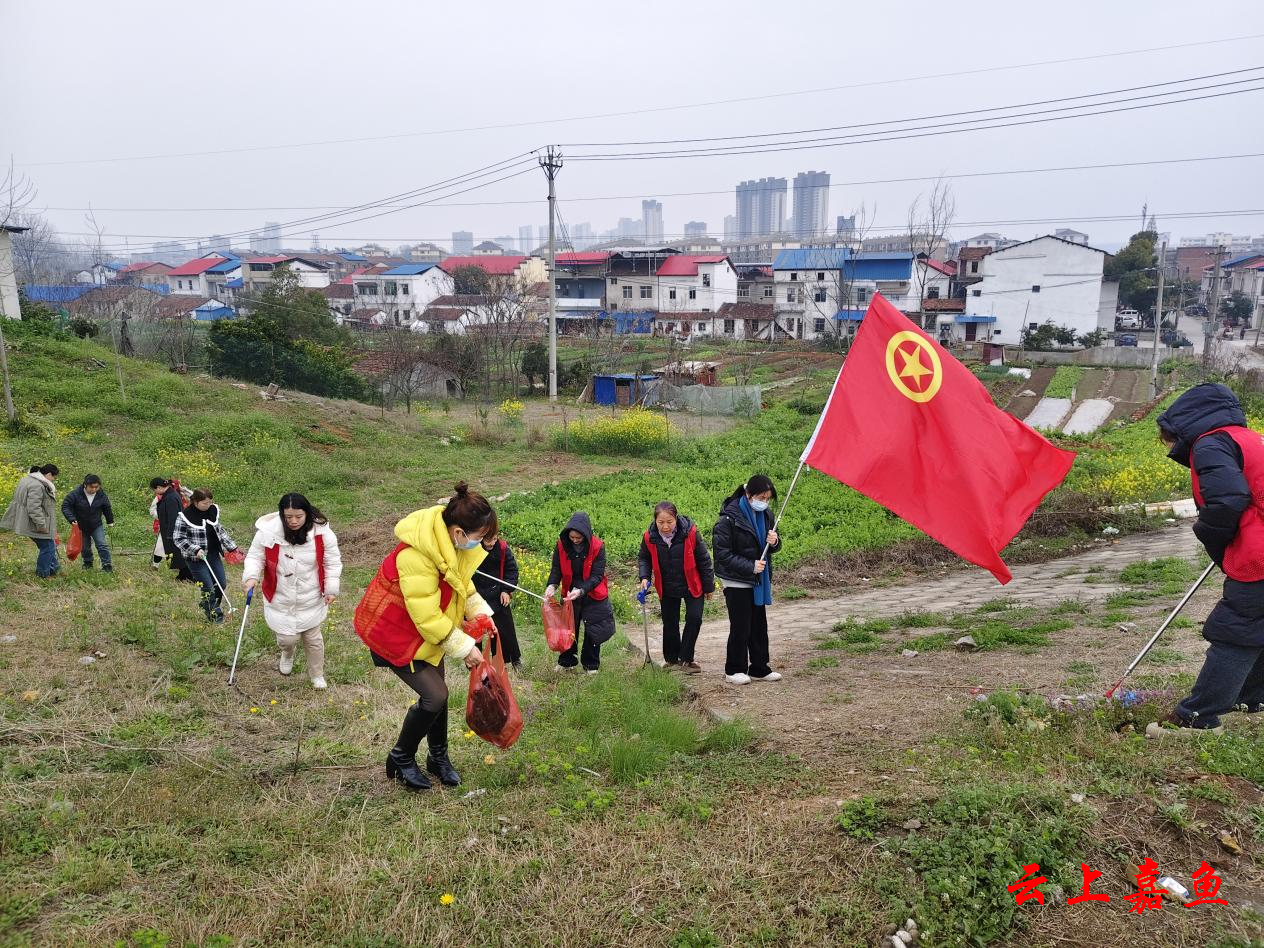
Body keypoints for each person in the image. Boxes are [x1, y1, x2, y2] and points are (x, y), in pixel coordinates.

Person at [1148, 383, 1264, 738]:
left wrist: (1214, 536)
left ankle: (1198, 718)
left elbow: (1228, 500)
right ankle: (1252, 700)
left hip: (1259, 555)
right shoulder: (1249, 438)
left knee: (1237, 629)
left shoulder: (1211, 443)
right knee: (1257, 626)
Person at [375, 482, 497, 792]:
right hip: (398, 635)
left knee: (438, 694)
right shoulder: (416, 556)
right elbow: (426, 616)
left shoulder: (449, 545)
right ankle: (401, 757)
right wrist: (465, 648)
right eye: (479, 536)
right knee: (435, 696)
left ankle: (438, 757)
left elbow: (462, 584)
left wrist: (481, 615)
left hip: (425, 635)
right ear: (459, 532)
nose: (481, 543)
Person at [243, 493, 342, 690]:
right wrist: (251, 576)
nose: (294, 521)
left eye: (298, 516)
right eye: (288, 517)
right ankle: (287, 654)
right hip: (280, 595)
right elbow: (255, 556)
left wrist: (331, 588)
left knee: (313, 639)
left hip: (310, 595)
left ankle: (317, 675)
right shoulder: (267, 532)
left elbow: (332, 561)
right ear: (282, 515)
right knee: (287, 639)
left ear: (307, 513)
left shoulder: (323, 533)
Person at [712, 475, 783, 686]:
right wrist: (750, 565)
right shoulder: (728, 519)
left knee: (759, 626)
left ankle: (760, 667)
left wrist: (775, 541)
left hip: (758, 580)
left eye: (768, 498)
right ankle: (734, 669)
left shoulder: (767, 514)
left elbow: (772, 546)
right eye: (761, 498)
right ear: (749, 494)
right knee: (741, 626)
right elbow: (722, 555)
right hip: (736, 580)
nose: (765, 502)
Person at [638, 500, 716, 673]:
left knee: (694, 618)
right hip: (667, 585)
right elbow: (644, 557)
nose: (665, 526)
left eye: (669, 521)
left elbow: (704, 560)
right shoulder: (650, 537)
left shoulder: (690, 533)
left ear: (676, 518)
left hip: (692, 583)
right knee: (670, 622)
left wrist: (709, 587)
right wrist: (644, 577)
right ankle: (672, 660)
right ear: (655, 521)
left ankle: (686, 659)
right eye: (661, 522)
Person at [545, 512, 615, 674]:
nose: (575, 540)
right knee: (568, 628)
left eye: (579, 537)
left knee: (593, 630)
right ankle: (566, 662)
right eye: (572, 537)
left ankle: (591, 665)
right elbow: (556, 569)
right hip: (570, 593)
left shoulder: (598, 546)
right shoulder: (562, 545)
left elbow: (597, 575)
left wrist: (582, 590)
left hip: (592, 592)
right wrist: (552, 585)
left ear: (586, 534)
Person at [172, 488, 240, 623]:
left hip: (213, 554)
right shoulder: (185, 516)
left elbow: (220, 531)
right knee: (208, 587)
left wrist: (233, 548)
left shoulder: (212, 511)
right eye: (204, 503)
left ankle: (208, 604)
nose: (208, 505)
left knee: (221, 583)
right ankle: (215, 616)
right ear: (195, 502)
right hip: (196, 558)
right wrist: (195, 550)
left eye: (210, 502)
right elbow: (178, 538)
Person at [472, 531, 522, 670]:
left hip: (498, 594)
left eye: (495, 539)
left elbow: (511, 571)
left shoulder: (502, 548)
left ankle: (512, 659)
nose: (492, 543)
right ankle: (475, 664)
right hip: (475, 595)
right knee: (474, 631)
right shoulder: (471, 548)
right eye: (489, 540)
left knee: (505, 630)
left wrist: (506, 590)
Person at [1, 463, 60, 578]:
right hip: (34, 523)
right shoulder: (37, 485)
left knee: (49, 545)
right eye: (54, 477)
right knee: (48, 547)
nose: (53, 480)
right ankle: (43, 574)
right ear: (48, 474)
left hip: (25, 520)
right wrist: (41, 525)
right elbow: (34, 508)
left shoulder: (27, 479)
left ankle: (54, 569)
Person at [61, 474, 114, 572]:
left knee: (102, 544)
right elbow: (65, 506)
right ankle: (88, 563)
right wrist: (71, 518)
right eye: (91, 487)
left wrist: (110, 521)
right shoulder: (75, 494)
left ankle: (107, 565)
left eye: (96, 487)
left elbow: (107, 507)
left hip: (96, 524)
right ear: (85, 485)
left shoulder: (101, 494)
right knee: (85, 547)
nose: (94, 489)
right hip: (81, 526)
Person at [151, 478, 193, 580]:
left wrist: (171, 534)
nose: (155, 492)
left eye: (154, 489)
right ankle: (183, 574)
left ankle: (189, 575)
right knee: (175, 554)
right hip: (169, 530)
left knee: (178, 554)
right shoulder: (169, 495)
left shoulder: (170, 498)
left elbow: (173, 517)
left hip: (173, 531)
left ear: (159, 487)